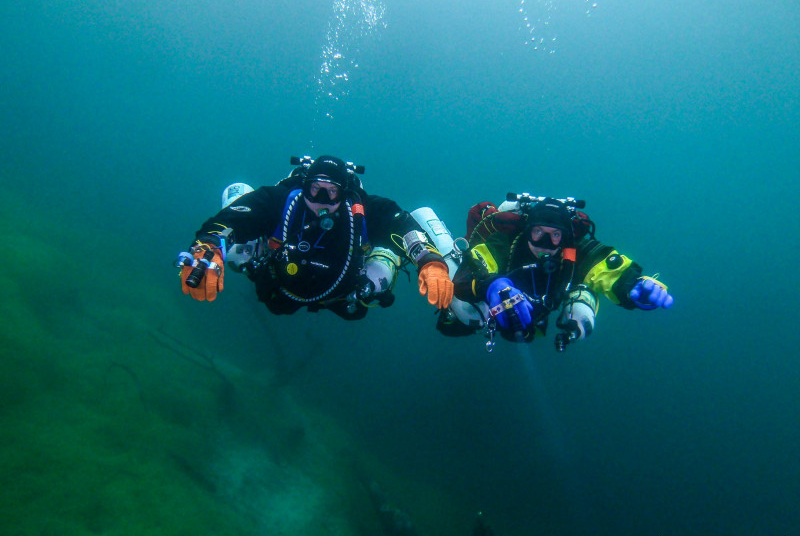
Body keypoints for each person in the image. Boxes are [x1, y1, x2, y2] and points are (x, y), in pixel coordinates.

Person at [177, 155, 454, 320]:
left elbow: (401, 222)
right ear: (303, 187)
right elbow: (232, 218)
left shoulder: (362, 209)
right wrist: (207, 247)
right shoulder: (279, 200)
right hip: (280, 283)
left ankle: (386, 258)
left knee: (366, 299)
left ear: (344, 193)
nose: (322, 201)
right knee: (239, 257)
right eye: (314, 190)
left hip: (344, 293)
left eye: (331, 192)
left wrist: (429, 259)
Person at [434, 193, 673, 351]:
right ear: (527, 230)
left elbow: (605, 266)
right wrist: (491, 286)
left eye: (555, 235)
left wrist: (635, 285)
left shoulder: (573, 252)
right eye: (538, 232)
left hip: (536, 321)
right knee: (457, 324)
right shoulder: (503, 244)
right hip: (494, 308)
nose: (545, 243)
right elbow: (468, 273)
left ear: (565, 238)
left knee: (584, 291)